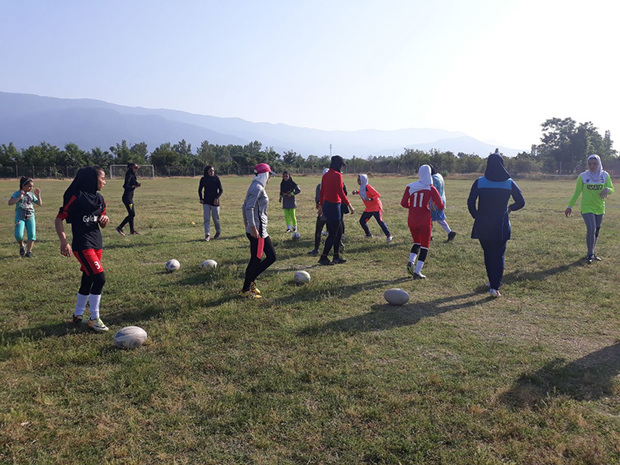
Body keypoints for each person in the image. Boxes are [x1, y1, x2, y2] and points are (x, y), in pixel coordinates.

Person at [55, 166, 110, 331]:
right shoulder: (76, 197)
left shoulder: (100, 199)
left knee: (88, 278)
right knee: (100, 278)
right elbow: (59, 220)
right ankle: (94, 318)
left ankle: (78, 315)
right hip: (83, 245)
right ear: (93, 180)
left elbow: (100, 221)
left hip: (97, 244)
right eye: (103, 178)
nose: (105, 182)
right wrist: (64, 242)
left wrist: (104, 221)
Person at [467, 151, 525, 297]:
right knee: (499, 254)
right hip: (501, 225)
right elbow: (521, 202)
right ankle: (494, 286)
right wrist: (509, 208)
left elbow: (470, 202)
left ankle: (492, 281)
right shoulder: (509, 182)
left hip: (483, 224)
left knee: (488, 253)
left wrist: (477, 216)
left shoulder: (479, 181)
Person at [565, 154, 614, 263]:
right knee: (591, 229)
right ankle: (589, 254)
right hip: (587, 207)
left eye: (594, 163)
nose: (592, 166)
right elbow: (576, 193)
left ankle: (592, 251)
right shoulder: (583, 176)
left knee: (596, 230)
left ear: (599, 163)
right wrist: (569, 206)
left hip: (600, 208)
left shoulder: (605, 175)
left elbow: (611, 189)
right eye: (590, 164)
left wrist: (607, 189)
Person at [401, 165, 444, 279]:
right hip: (425, 219)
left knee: (416, 242)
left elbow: (404, 203)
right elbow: (440, 205)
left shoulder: (410, 187)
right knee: (425, 246)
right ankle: (418, 271)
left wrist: (413, 206)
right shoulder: (430, 188)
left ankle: (411, 261)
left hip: (412, 219)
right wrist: (432, 204)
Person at [241, 163, 277, 299]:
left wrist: (247, 221)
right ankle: (245, 289)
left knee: (267, 257)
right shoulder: (257, 188)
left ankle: (250, 282)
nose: (269, 178)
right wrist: (252, 227)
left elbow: (243, 206)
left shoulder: (256, 186)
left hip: (260, 230)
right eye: (269, 175)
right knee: (258, 260)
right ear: (264, 175)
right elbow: (248, 207)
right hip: (258, 232)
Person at [318, 156, 355, 265]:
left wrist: (321, 206)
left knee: (338, 232)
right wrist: (350, 205)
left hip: (327, 206)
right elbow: (340, 192)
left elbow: (322, 192)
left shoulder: (326, 175)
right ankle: (323, 257)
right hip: (335, 206)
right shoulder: (338, 175)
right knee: (333, 233)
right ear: (339, 165)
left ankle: (336, 256)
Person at [352, 174, 393, 243]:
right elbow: (363, 192)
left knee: (379, 221)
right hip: (369, 208)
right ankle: (368, 234)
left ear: (363, 180)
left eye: (359, 180)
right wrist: (356, 192)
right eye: (357, 180)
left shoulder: (368, 187)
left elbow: (377, 195)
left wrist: (370, 199)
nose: (357, 181)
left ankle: (389, 235)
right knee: (362, 221)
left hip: (376, 207)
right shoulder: (362, 188)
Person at [8, 177, 42, 257]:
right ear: (23, 185)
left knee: (32, 234)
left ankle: (29, 252)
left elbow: (39, 204)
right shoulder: (17, 193)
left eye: (32, 186)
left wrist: (38, 196)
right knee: (18, 235)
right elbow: (10, 202)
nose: (31, 188)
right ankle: (21, 245)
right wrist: (20, 197)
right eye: (29, 186)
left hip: (30, 216)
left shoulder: (31, 195)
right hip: (20, 217)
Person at [429, 164, 456, 242]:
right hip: (442, 199)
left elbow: (432, 191)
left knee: (435, 218)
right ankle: (430, 236)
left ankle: (449, 232)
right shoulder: (439, 176)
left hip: (435, 201)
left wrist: (432, 203)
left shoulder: (432, 179)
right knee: (436, 218)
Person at [198, 165, 223, 241]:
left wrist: (216, 198)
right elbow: (200, 190)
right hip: (206, 201)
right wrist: (201, 198)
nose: (212, 172)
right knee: (206, 219)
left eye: (213, 171)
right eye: (210, 171)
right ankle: (207, 235)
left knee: (216, 219)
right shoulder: (203, 179)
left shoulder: (216, 179)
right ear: (207, 171)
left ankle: (218, 231)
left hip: (215, 202)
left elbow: (221, 190)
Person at [116, 162, 141, 236]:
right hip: (127, 199)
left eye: (137, 168)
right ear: (131, 168)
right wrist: (134, 186)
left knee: (131, 214)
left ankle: (132, 231)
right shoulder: (129, 175)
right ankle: (119, 227)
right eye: (135, 168)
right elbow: (125, 186)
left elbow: (134, 182)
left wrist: (137, 184)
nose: (137, 169)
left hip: (130, 198)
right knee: (132, 214)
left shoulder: (132, 175)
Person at [308, 168, 329, 256]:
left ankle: (316, 249)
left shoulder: (320, 185)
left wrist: (319, 206)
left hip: (323, 211)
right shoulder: (334, 184)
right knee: (333, 231)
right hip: (333, 211)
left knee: (318, 230)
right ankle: (338, 246)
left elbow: (318, 198)